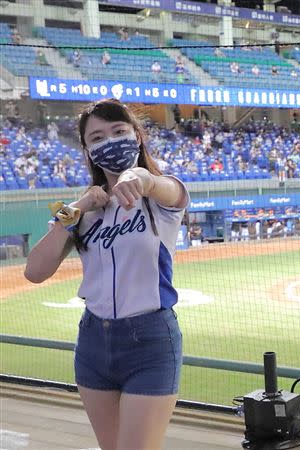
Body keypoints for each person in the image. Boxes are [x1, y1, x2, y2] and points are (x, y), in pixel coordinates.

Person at [24, 98, 189, 450]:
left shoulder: (157, 197)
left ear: (137, 136)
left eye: (119, 131)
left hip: (150, 340)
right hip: (93, 342)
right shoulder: (82, 211)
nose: (110, 142)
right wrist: (79, 207)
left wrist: (142, 178)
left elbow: (172, 192)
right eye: (97, 138)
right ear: (86, 150)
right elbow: (34, 271)